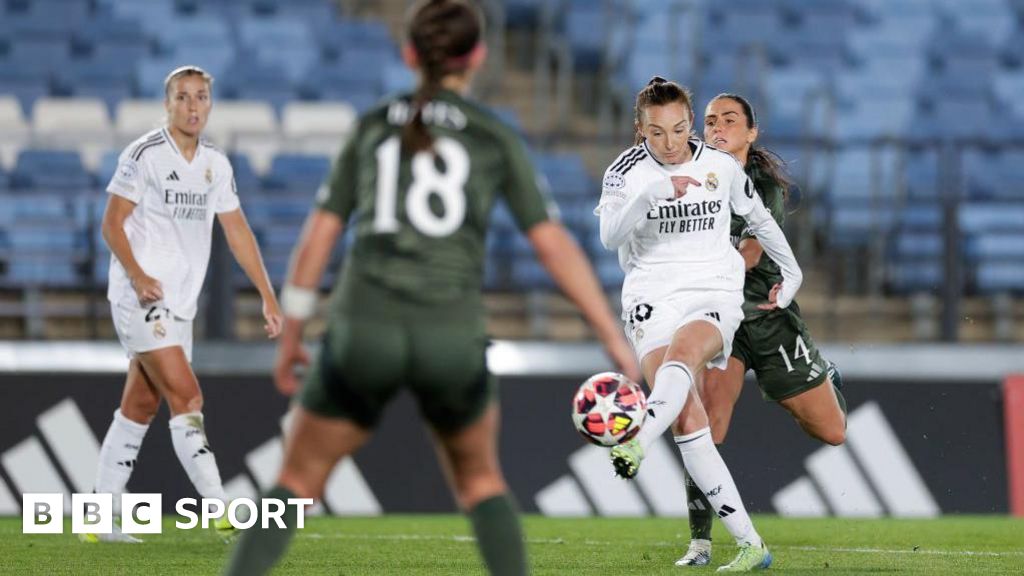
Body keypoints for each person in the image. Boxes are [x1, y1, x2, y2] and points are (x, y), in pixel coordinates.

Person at [223, 1, 639, 574]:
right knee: (482, 483)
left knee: (294, 481)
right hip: (450, 335)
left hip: (363, 329)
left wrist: (293, 331)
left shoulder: (372, 126)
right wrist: (611, 338)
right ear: (478, 57)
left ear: (410, 54)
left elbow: (318, 238)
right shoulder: (493, 137)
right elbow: (552, 245)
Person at [596, 77, 805, 572]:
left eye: (679, 129)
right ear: (639, 130)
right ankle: (751, 545)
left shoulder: (718, 165)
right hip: (650, 295)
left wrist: (792, 271)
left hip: (713, 290)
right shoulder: (625, 172)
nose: (670, 143)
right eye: (656, 133)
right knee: (689, 423)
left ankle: (637, 439)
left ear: (690, 123)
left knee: (684, 356)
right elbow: (609, 237)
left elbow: (758, 218)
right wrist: (652, 195)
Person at [83, 65, 282, 543]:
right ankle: (218, 508)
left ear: (210, 105)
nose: (193, 107)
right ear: (167, 104)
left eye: (201, 98)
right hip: (140, 297)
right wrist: (138, 274)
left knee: (140, 405)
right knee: (188, 396)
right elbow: (112, 224)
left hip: (181, 304)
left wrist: (267, 293)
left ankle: (98, 517)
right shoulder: (145, 154)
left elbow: (236, 230)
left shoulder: (216, 163)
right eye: (183, 98)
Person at [671, 93, 849, 567]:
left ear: (751, 133)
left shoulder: (762, 184)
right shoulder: (687, 175)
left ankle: (826, 376)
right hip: (719, 317)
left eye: (730, 120)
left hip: (767, 316)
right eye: (709, 121)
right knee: (705, 425)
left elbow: (751, 252)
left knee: (831, 432)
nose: (717, 128)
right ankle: (700, 543)